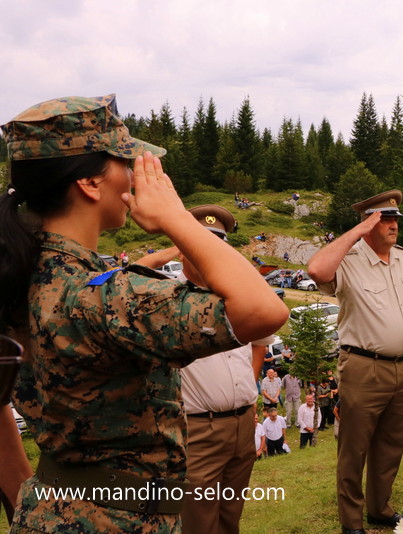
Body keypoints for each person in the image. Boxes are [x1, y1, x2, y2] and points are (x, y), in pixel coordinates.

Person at [0, 94, 288, 533]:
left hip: (53, 508)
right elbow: (263, 310)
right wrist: (177, 218)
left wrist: (29, 492)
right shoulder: (106, 296)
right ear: (90, 184)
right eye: (126, 161)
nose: (137, 175)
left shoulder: (20, 274)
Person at [307, 189, 403, 534]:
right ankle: (351, 521)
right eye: (384, 219)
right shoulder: (349, 259)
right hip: (363, 366)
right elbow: (316, 269)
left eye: (395, 219)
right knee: (354, 449)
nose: (393, 225)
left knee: (391, 444)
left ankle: (379, 508)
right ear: (368, 223)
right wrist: (357, 232)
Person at [172, 205, 285, 534]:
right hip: (198, 429)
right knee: (199, 523)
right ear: (182, 244)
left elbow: (262, 340)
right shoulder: (169, 295)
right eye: (200, 240)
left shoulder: (235, 293)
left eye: (218, 242)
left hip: (242, 424)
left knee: (230, 517)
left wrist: (247, 390)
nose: (210, 250)